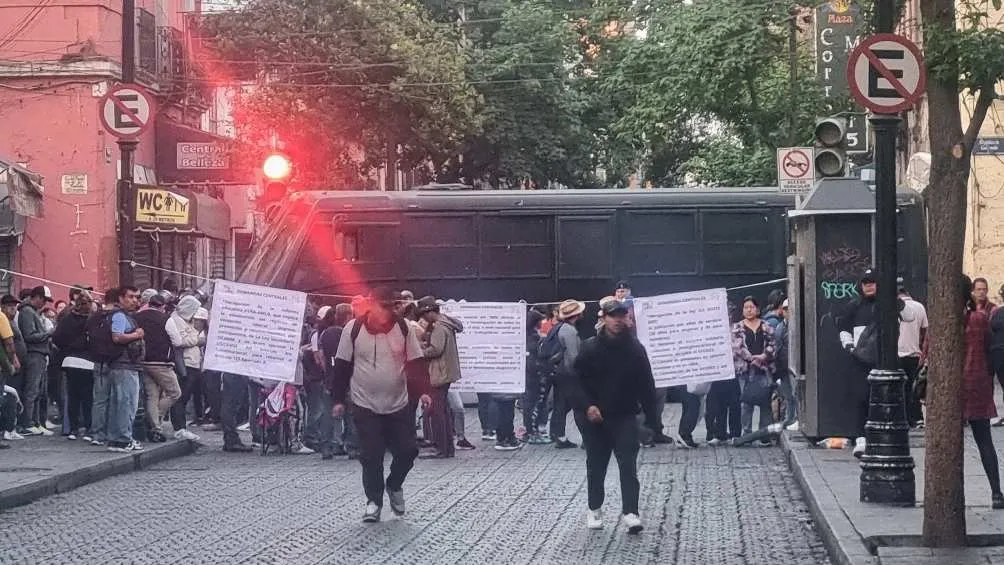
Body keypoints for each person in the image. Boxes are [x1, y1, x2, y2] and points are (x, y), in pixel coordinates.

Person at [329, 286, 432, 523]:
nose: (386, 312)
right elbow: (342, 366)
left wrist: (424, 392)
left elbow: (416, 364)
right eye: (381, 307)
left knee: (408, 451)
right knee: (371, 455)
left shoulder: (403, 328)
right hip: (364, 403)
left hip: (398, 402)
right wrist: (337, 399)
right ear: (370, 306)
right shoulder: (352, 329)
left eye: (389, 307)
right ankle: (373, 501)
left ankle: (394, 485)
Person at [564, 299, 659, 534]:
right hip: (594, 417)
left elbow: (647, 385)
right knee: (597, 465)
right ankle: (594, 508)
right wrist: (587, 407)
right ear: (604, 318)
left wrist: (652, 419)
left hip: (625, 415)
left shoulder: (636, 349)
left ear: (627, 318)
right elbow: (574, 381)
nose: (618, 320)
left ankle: (631, 512)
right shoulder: (589, 348)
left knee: (628, 464)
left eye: (621, 315)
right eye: (612, 315)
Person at [959, 275, 1004, 509]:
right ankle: (996, 492)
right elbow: (990, 347)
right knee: (984, 440)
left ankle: (953, 496)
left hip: (952, 388)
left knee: (950, 445)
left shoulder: (944, 321)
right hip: (977, 385)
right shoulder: (979, 319)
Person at [96, 286, 146, 452]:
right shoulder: (119, 316)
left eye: (136, 297)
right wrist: (137, 335)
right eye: (130, 297)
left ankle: (118, 438)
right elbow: (117, 337)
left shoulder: (124, 316)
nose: (134, 301)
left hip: (123, 365)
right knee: (126, 404)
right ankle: (122, 439)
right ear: (120, 298)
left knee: (120, 404)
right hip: (124, 366)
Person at [838, 269, 879, 458]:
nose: (869, 286)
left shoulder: (884, 306)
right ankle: (861, 437)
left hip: (881, 360)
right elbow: (843, 328)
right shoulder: (853, 306)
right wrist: (849, 346)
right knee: (860, 398)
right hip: (859, 360)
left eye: (872, 282)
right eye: (865, 283)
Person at [416, 296, 464, 457]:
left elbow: (436, 350)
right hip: (447, 372)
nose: (423, 319)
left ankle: (441, 448)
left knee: (437, 411)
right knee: (443, 410)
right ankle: (447, 448)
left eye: (424, 315)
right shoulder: (446, 324)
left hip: (439, 372)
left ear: (429, 312)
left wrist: (418, 352)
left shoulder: (438, 328)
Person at [134, 293, 183, 443]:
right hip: (161, 362)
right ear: (162, 306)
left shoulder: (137, 317)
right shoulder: (166, 319)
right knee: (175, 393)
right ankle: (155, 420)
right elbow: (177, 341)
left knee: (152, 396)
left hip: (143, 361)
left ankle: (156, 428)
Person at [51, 291, 94, 441]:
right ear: (88, 304)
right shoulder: (92, 320)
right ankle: (88, 428)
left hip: (69, 360)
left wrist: (66, 349)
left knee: (73, 396)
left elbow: (56, 338)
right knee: (88, 397)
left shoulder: (67, 319)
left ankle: (73, 429)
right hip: (88, 361)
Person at [731, 297, 775, 442]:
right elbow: (737, 348)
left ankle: (764, 435)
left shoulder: (766, 326)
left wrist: (763, 356)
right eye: (746, 307)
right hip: (745, 370)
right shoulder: (738, 327)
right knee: (746, 402)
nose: (749, 310)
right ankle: (747, 434)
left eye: (751, 307)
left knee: (765, 402)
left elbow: (772, 344)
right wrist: (752, 359)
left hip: (764, 369)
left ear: (757, 309)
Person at [318, 303, 357, 458]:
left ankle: (327, 447)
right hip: (347, 379)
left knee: (328, 415)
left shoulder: (325, 334)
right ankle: (352, 447)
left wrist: (328, 372)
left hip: (329, 379)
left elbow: (321, 357)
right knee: (351, 415)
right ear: (348, 316)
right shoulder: (349, 333)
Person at [544, 299, 585, 449]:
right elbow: (573, 356)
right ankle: (581, 438)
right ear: (577, 314)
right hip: (568, 374)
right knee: (577, 406)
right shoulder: (570, 330)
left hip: (558, 372)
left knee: (561, 405)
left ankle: (557, 434)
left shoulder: (558, 327)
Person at [165, 295, 205, 441]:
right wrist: (197, 340)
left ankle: (182, 427)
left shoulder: (185, 321)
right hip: (185, 364)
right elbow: (180, 341)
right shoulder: (176, 320)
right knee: (180, 397)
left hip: (192, 363)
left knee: (185, 397)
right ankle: (179, 427)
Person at [17, 286, 53, 436]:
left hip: (39, 354)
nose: (45, 303)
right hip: (34, 354)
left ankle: (36, 422)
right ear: (37, 297)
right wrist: (47, 334)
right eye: (44, 300)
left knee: (38, 391)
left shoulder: (32, 312)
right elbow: (29, 335)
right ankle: (27, 423)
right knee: (32, 390)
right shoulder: (27, 312)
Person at [898, 283, 928, 428]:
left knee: (899, 389)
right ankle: (916, 418)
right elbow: (924, 331)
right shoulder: (919, 307)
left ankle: (902, 417)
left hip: (897, 354)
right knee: (914, 388)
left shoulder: (894, 306)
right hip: (914, 353)